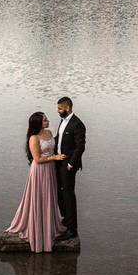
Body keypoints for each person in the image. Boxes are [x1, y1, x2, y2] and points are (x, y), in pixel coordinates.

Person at [5, 112, 67, 252]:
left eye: (46, 119)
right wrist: (55, 158)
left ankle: (49, 226)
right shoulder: (33, 138)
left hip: (50, 170)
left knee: (49, 197)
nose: (48, 121)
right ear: (38, 122)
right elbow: (37, 159)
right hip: (39, 171)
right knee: (38, 197)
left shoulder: (50, 132)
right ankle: (37, 229)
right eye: (45, 120)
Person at [54, 97, 85, 241]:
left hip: (68, 166)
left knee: (68, 195)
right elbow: (59, 139)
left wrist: (70, 164)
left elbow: (80, 147)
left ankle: (72, 230)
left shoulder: (77, 124)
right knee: (59, 194)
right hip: (58, 163)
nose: (58, 111)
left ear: (68, 108)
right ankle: (66, 220)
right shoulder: (63, 120)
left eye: (60, 108)